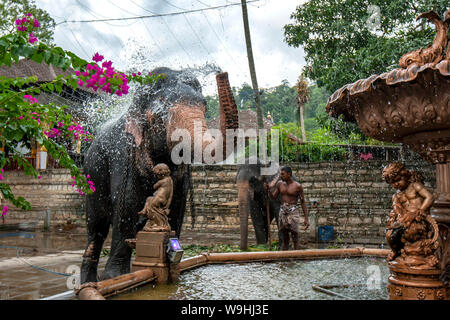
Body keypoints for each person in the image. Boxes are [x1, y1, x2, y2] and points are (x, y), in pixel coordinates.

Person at [265, 166, 309, 250]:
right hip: (283, 211)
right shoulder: (280, 184)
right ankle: (285, 259)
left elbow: (303, 202)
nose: (281, 176)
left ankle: (296, 255)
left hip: (293, 210)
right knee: (284, 236)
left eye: (283, 174)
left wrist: (306, 218)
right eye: (280, 174)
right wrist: (268, 190)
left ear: (289, 174)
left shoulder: (298, 186)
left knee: (294, 235)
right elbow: (273, 197)